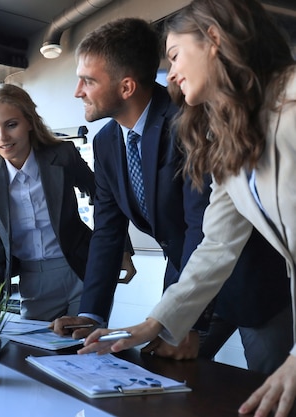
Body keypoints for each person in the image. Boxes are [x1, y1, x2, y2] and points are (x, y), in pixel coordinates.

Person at [82, 1, 296, 416]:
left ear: (214, 39)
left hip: (263, 294)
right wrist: (155, 321)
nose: (171, 72)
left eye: (176, 55)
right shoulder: (228, 133)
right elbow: (216, 244)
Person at [0, 83, 132, 321]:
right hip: (33, 280)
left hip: (83, 269)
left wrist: (121, 249)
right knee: (34, 353)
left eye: (11, 125)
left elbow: (104, 197)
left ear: (30, 123)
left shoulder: (62, 154)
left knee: (85, 349)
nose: (1, 137)